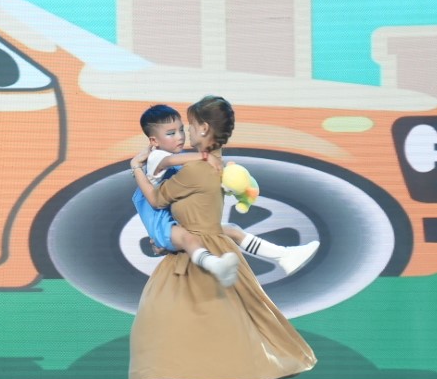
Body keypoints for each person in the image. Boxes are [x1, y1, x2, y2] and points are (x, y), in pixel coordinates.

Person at [128, 96, 317, 379]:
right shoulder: (215, 167)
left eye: (187, 126)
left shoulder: (195, 170)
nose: (183, 133)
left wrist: (136, 168)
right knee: (191, 351)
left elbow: (156, 199)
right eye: (175, 130)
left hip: (193, 266)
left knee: (166, 345)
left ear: (202, 128)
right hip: (195, 254)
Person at [132, 104, 318, 286]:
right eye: (171, 133)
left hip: (173, 217)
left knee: (232, 229)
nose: (181, 136)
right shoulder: (158, 156)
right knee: (188, 239)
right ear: (154, 141)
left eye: (182, 129)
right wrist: (204, 156)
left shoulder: (188, 165)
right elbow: (167, 169)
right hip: (159, 218)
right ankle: (215, 265)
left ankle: (284, 255)